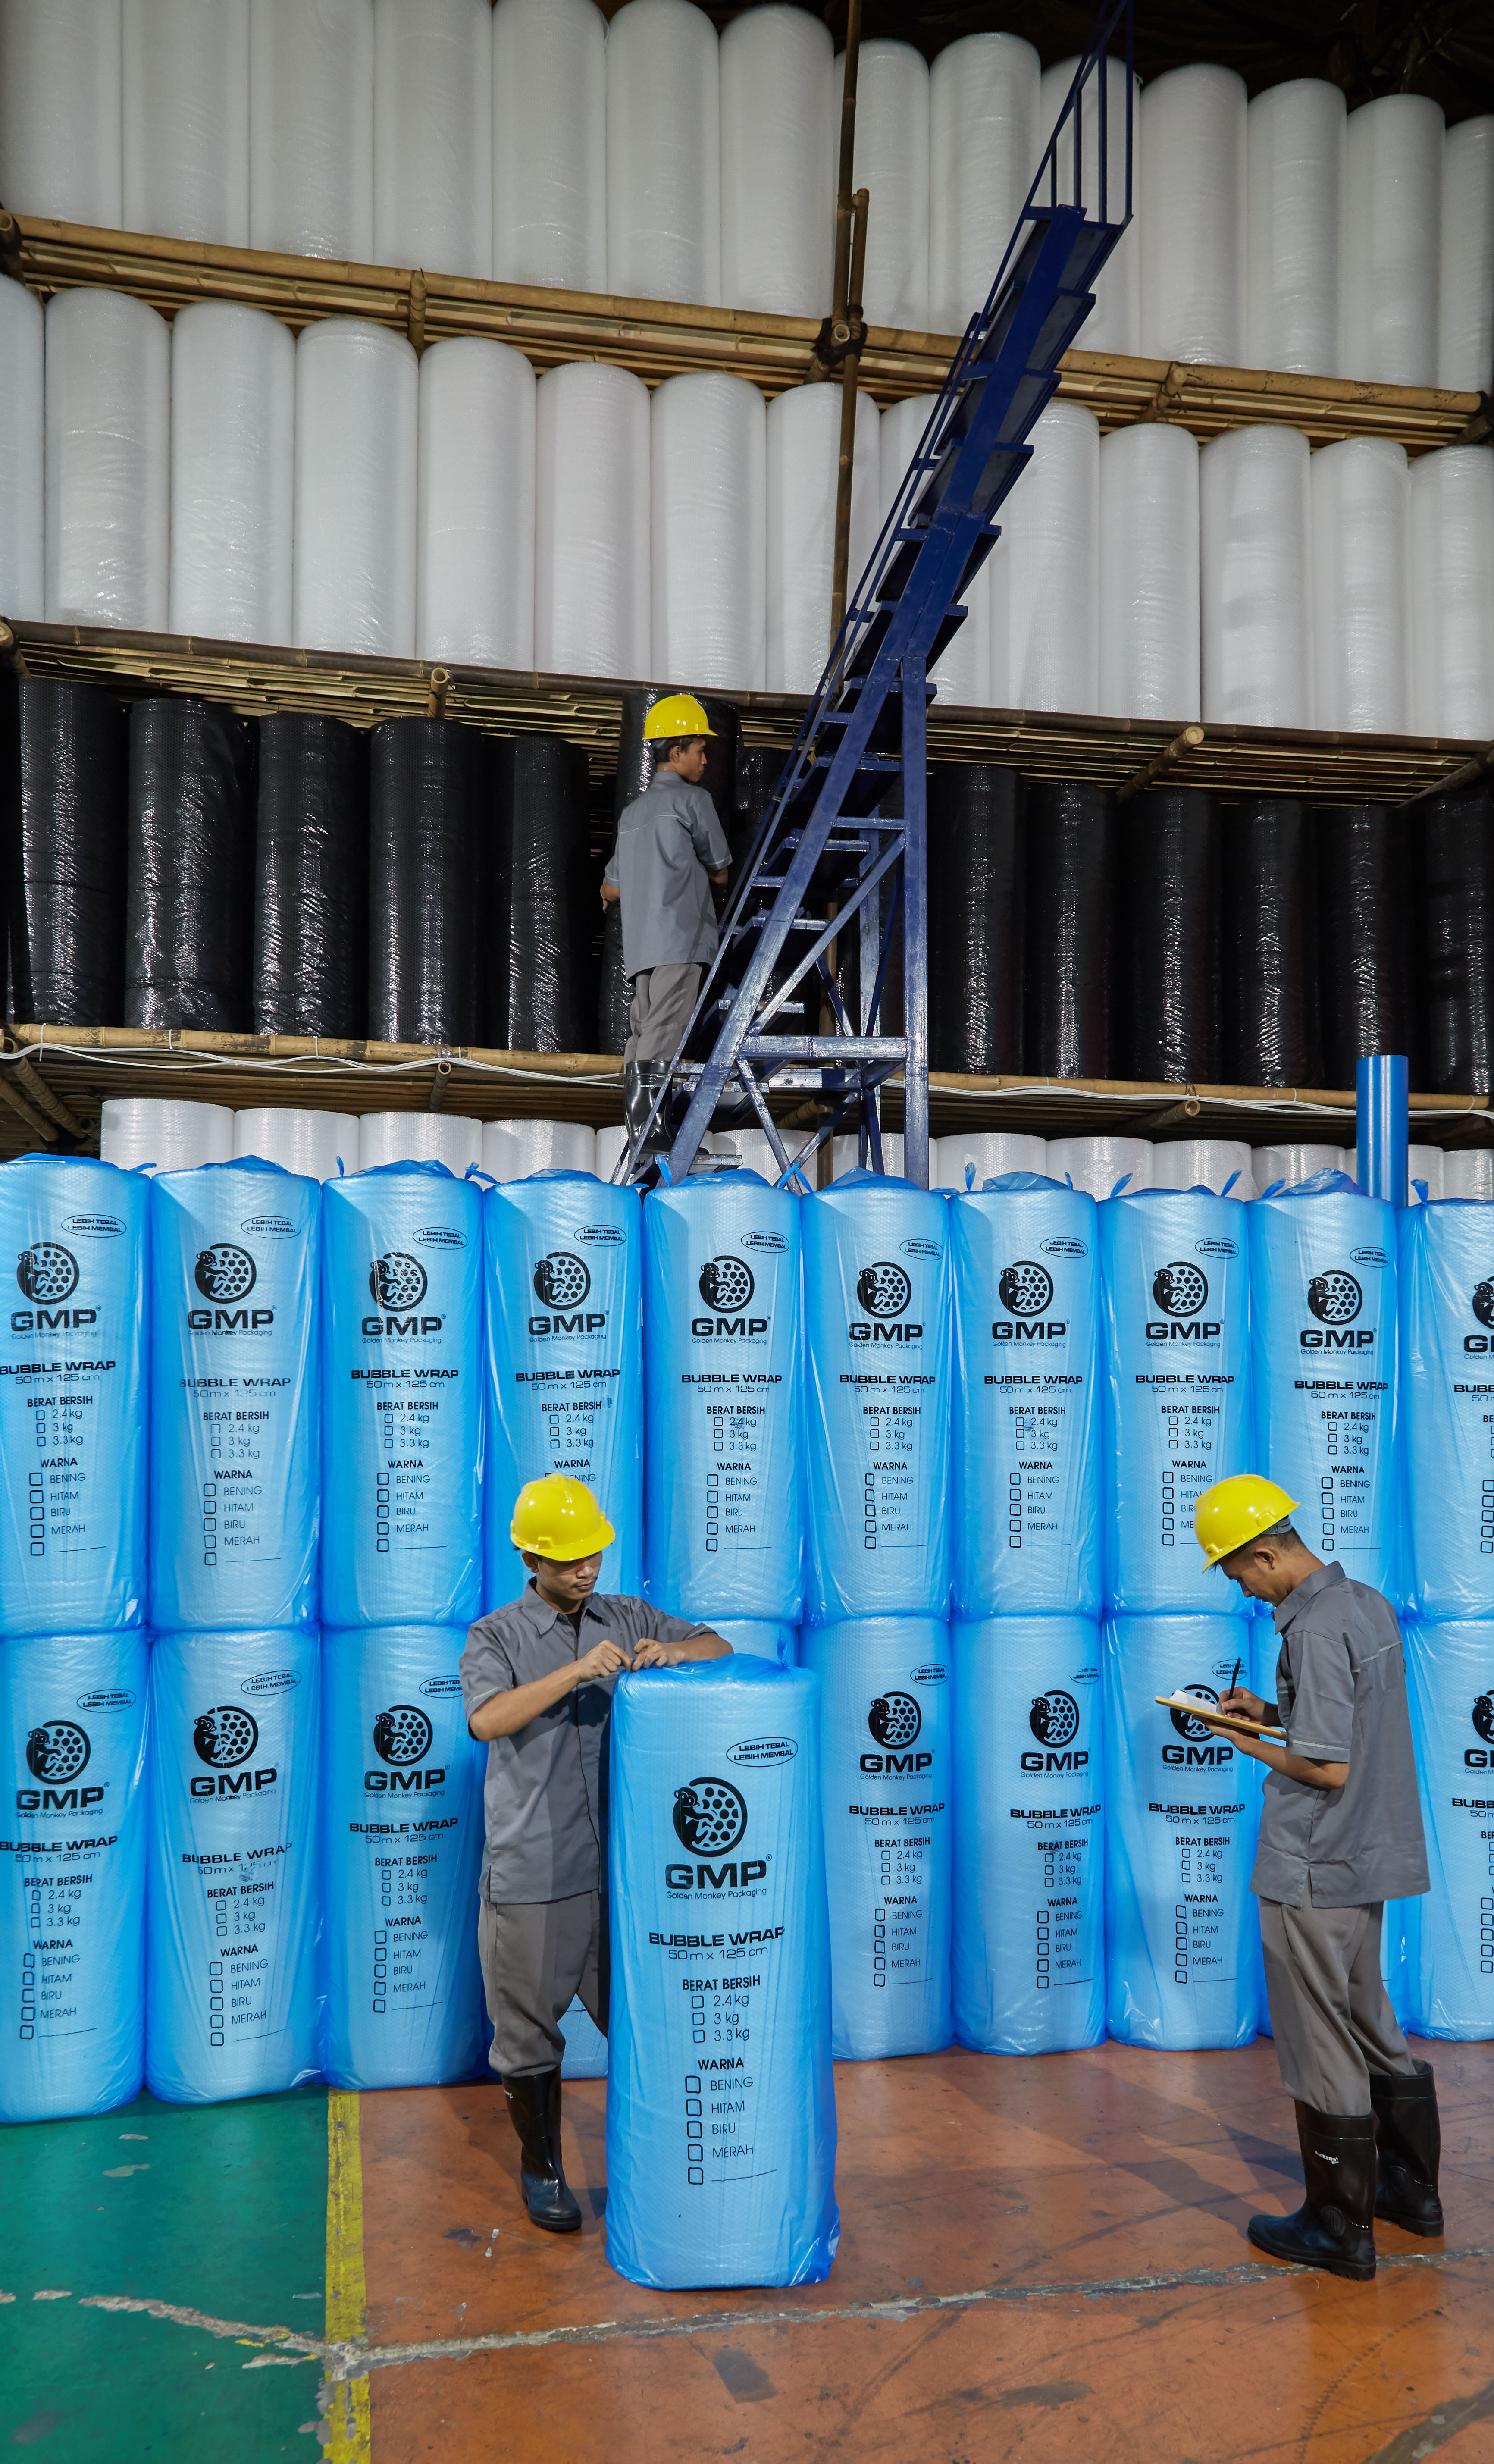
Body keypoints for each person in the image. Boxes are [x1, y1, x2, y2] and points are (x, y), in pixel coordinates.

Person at [459, 1472, 732, 2233]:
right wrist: (575, 1672)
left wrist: (674, 1652)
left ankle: (666, 2158)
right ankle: (542, 2167)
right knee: (527, 2030)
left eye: (594, 1555)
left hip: (624, 1868)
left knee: (645, 2017)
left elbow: (720, 1643)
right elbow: (487, 1720)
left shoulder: (626, 1613)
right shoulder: (496, 1635)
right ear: (531, 1559)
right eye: (570, 1559)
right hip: (537, 1867)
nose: (586, 1570)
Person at [1193, 1472, 1439, 2283]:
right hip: (1365, 1854)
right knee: (1369, 2018)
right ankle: (1411, 2193)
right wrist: (1271, 1711)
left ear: (1267, 1553)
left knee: (1320, 2036)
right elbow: (1350, 1726)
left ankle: (1339, 2226)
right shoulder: (1364, 1604)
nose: (1240, 1586)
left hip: (1313, 1860)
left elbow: (1329, 1768)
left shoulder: (1313, 1627)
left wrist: (1245, 1740)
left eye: (1237, 1570)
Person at [602, 692, 730, 1165]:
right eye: (700, 749)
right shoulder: (694, 800)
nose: (705, 760)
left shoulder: (632, 814)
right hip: (681, 938)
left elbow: (611, 888)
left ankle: (642, 1135)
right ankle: (654, 1139)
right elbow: (720, 868)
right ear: (676, 751)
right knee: (663, 1035)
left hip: (642, 949)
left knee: (642, 1033)